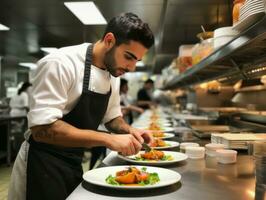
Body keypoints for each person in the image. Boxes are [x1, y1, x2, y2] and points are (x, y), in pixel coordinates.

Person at [8, 12, 154, 200]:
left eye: (137, 61)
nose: (131, 67)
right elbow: (42, 130)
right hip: (42, 164)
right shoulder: (60, 63)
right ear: (109, 40)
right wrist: (108, 140)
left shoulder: (113, 73)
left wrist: (129, 130)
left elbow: (112, 118)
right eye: (129, 57)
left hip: (74, 161)